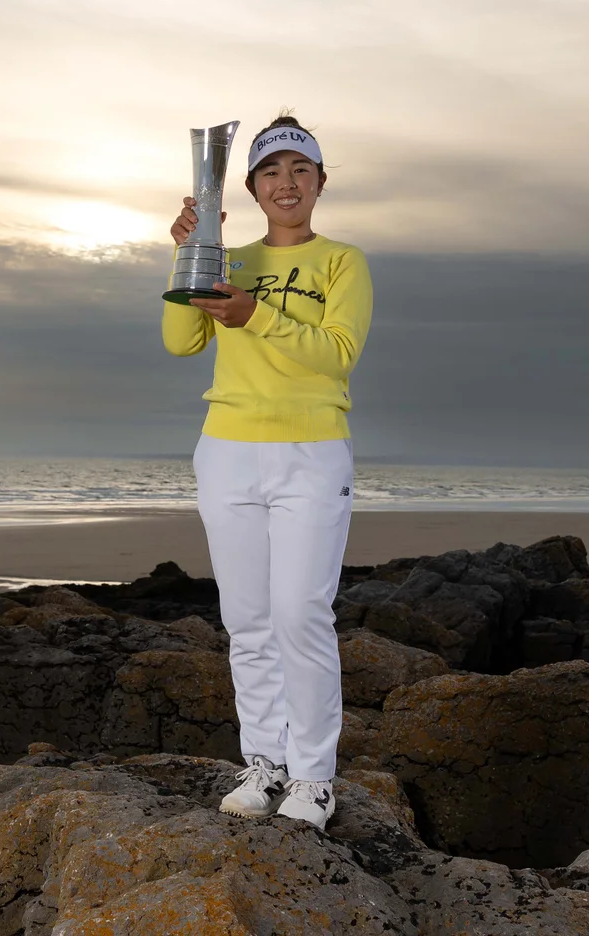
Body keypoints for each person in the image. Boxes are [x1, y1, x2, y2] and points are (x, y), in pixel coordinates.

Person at [162, 114, 374, 830]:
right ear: (250, 186)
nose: (287, 183)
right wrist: (192, 253)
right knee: (247, 621)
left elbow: (335, 353)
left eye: (300, 171)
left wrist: (256, 316)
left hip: (312, 453)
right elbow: (180, 340)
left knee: (300, 616)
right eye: (271, 172)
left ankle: (314, 779)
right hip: (227, 449)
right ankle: (265, 765)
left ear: (318, 183)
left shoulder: (342, 262)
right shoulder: (232, 256)